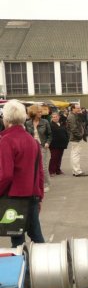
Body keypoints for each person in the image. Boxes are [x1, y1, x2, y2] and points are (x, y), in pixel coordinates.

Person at [0, 100, 47, 248]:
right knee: (37, 236)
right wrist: (40, 196)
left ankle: (22, 263)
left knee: (17, 241)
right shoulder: (32, 141)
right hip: (32, 195)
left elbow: (6, 175)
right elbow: (40, 172)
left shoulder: (6, 141)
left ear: (6, 119)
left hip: (14, 198)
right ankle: (46, 260)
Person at [25, 105, 52, 193]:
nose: (41, 113)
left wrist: (47, 143)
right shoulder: (27, 123)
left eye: (41, 111)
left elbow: (50, 134)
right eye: (39, 112)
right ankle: (36, 184)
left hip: (43, 146)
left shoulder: (45, 122)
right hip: (32, 147)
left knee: (43, 167)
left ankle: (46, 184)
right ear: (33, 113)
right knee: (34, 166)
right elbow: (26, 135)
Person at [66, 103, 88, 176]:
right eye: (78, 108)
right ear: (73, 109)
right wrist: (80, 136)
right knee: (76, 155)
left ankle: (75, 171)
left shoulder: (75, 115)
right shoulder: (72, 116)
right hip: (75, 138)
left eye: (79, 108)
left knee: (74, 154)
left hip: (75, 137)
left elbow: (83, 121)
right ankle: (77, 171)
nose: (79, 109)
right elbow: (74, 128)